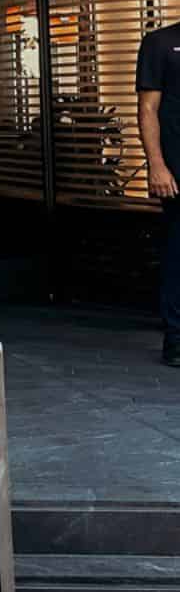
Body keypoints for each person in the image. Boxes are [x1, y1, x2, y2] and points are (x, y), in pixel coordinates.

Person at [136, 20, 180, 366]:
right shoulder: (160, 42)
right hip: (177, 170)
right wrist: (156, 164)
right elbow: (148, 109)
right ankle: (177, 340)